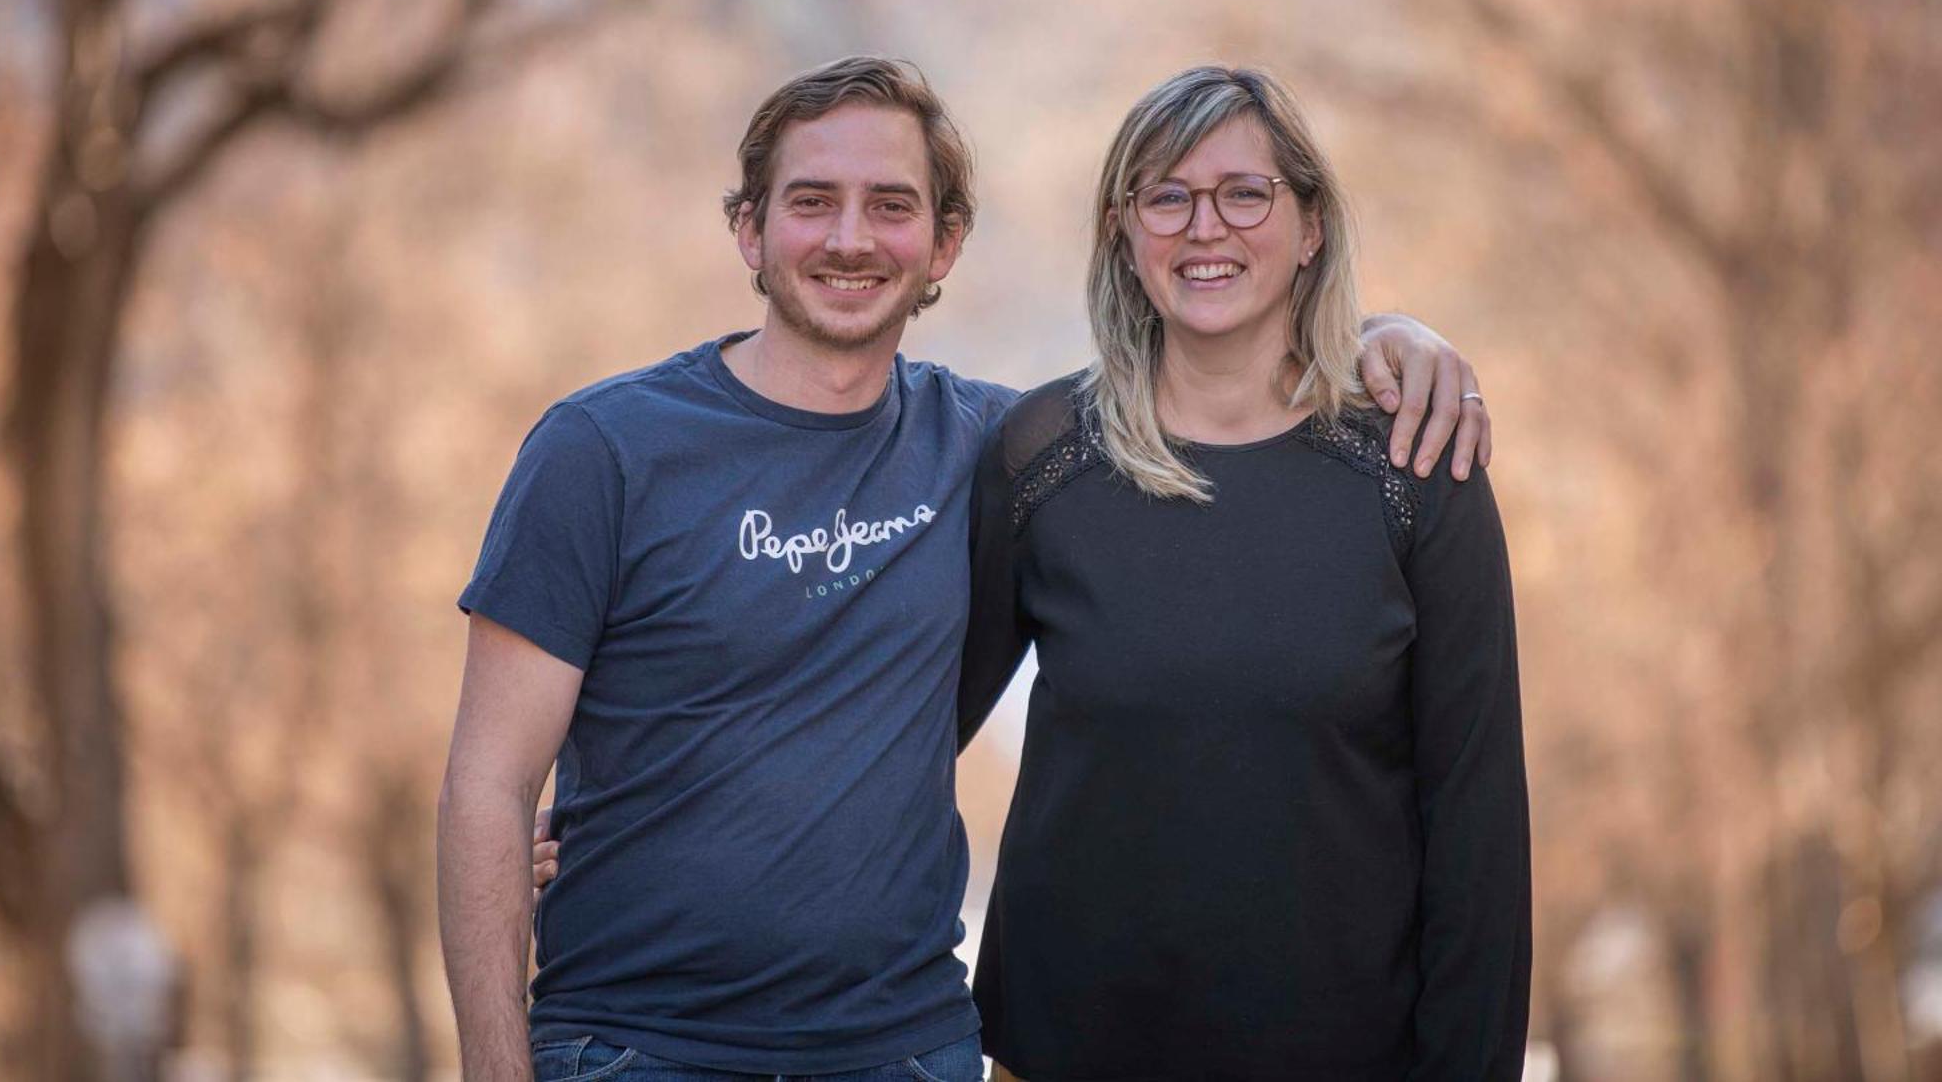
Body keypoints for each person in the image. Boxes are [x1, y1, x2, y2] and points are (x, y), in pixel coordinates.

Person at [441, 56, 1490, 1082]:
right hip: (635, 1043)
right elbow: (488, 782)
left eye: (891, 206)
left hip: (904, 1047)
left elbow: (1214, 399)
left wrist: (1387, 339)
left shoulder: (1004, 451)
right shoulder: (603, 450)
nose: (850, 238)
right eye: (811, 201)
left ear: (943, 244)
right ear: (748, 229)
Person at [956, 65, 1530, 1081]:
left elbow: (1476, 829)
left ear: (1309, 226)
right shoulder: (1038, 457)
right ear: (1123, 234)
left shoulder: (1415, 469)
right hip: (1064, 1055)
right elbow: (899, 727)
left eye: (1244, 193)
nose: (1203, 226)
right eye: (1166, 196)